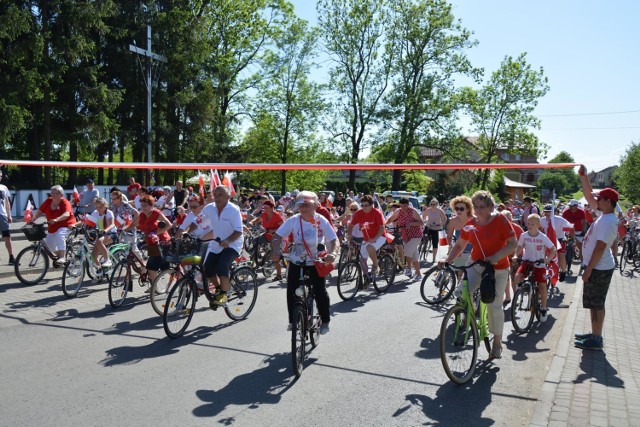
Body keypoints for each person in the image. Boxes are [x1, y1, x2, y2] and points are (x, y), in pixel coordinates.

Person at [440, 190, 517, 360]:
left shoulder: (500, 220)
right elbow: (460, 245)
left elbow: (513, 244)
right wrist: (447, 260)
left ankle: (497, 343)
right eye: (475, 206)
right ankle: (470, 310)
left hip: (497, 267)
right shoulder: (471, 223)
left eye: (482, 207)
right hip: (476, 264)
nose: (478, 210)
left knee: (494, 306)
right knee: (460, 293)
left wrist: (496, 256)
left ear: (491, 207)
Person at [270, 191, 338, 335]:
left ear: (315, 206)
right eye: (301, 205)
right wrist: (275, 250)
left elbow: (333, 240)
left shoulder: (321, 220)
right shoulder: (293, 220)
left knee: (320, 291)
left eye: (307, 205)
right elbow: (277, 237)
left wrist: (332, 254)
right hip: (297, 259)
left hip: (316, 260)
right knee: (291, 290)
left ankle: (325, 321)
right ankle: (292, 320)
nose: (304, 208)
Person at [574, 165, 618, 351]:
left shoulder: (608, 221)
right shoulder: (604, 214)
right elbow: (588, 194)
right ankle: (594, 334)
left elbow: (600, 248)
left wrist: (588, 269)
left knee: (597, 303)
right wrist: (584, 176)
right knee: (593, 302)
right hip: (596, 266)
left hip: (599, 268)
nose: (596, 200)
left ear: (608, 201)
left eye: (600, 198)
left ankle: (596, 338)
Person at [200, 185, 244, 306]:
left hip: (233, 243)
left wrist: (228, 241)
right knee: (207, 269)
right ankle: (219, 288)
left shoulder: (233, 209)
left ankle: (224, 294)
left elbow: (239, 231)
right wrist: (186, 232)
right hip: (216, 243)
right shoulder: (209, 208)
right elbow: (198, 221)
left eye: (220, 195)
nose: (217, 197)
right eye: (215, 195)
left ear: (228, 196)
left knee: (222, 265)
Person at [513, 214, 557, 322]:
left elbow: (553, 249)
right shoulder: (524, 235)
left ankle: (543, 308)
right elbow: (519, 247)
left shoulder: (542, 237)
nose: (530, 226)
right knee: (517, 278)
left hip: (539, 264)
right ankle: (523, 291)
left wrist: (548, 258)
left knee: (542, 286)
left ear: (538, 225)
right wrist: (515, 255)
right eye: (528, 223)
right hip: (527, 262)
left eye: (533, 224)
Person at [29, 185, 77, 267]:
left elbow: (67, 214)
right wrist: (34, 218)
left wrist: (56, 219)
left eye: (56, 193)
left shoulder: (65, 202)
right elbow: (40, 210)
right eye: (52, 192)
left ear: (61, 195)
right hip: (53, 227)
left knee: (59, 235)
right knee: (48, 245)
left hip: (66, 225)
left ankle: (62, 256)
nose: (53, 194)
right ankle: (60, 254)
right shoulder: (48, 201)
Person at [346, 194, 386, 284]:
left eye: (366, 205)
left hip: (380, 236)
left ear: (371, 205)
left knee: (369, 247)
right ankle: (367, 276)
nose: (364, 207)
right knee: (362, 258)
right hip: (366, 238)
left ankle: (376, 265)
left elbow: (382, 228)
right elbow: (351, 225)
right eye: (362, 205)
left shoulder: (377, 213)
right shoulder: (359, 213)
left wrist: (375, 238)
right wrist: (349, 234)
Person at [385, 198, 423, 281]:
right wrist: (384, 225)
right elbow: (390, 219)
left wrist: (412, 224)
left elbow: (421, 222)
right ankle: (418, 274)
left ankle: (408, 268)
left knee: (407, 249)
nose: (403, 207)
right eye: (401, 206)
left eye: (405, 205)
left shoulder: (413, 211)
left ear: (408, 204)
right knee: (413, 255)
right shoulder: (399, 211)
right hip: (406, 236)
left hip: (416, 235)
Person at [137, 194, 172, 283]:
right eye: (142, 205)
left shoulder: (156, 213)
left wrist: (155, 233)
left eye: (145, 205)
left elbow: (169, 225)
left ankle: (182, 283)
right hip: (151, 244)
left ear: (151, 205)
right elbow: (136, 225)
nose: (143, 207)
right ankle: (154, 288)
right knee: (164, 267)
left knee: (152, 268)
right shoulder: (142, 215)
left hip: (163, 243)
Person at [248, 199, 284, 280]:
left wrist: (274, 230)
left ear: (272, 208)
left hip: (275, 238)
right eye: (264, 208)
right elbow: (258, 219)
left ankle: (279, 275)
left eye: (267, 208)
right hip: (266, 235)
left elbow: (283, 227)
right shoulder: (264, 215)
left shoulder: (277, 216)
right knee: (255, 241)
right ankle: (256, 261)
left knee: (275, 256)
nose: (265, 209)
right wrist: (252, 222)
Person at [540, 204, 575, 282]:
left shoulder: (560, 220)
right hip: (548, 240)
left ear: (554, 212)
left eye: (549, 212)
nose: (547, 214)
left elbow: (571, 228)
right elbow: (540, 229)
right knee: (542, 254)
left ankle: (563, 271)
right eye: (546, 212)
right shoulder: (542, 220)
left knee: (561, 256)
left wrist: (571, 238)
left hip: (559, 239)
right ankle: (543, 269)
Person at [445, 196, 473, 282]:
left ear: (468, 209)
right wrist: (450, 246)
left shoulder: (473, 220)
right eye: (456, 208)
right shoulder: (453, 221)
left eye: (461, 209)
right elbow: (449, 237)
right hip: (459, 249)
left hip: (472, 251)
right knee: (458, 272)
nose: (458, 211)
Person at [88, 197, 117, 269]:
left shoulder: (109, 213)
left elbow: (112, 224)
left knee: (99, 241)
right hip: (101, 234)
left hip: (111, 233)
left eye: (100, 207)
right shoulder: (95, 213)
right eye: (97, 207)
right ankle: (100, 271)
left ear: (105, 206)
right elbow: (86, 220)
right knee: (93, 256)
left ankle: (107, 260)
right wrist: (75, 225)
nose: (98, 209)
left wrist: (105, 230)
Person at [422, 198, 448, 263]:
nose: (433, 205)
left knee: (435, 243)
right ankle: (423, 247)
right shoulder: (428, 210)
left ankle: (433, 258)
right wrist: (424, 220)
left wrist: (441, 224)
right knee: (424, 237)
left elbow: (445, 218)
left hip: (436, 228)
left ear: (437, 204)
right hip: (429, 226)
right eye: (431, 204)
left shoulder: (440, 211)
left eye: (434, 204)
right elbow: (423, 216)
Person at [562, 199, 587, 263]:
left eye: (572, 206)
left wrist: (584, 231)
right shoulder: (566, 212)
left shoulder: (581, 212)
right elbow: (562, 223)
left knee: (581, 246)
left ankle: (582, 262)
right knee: (567, 244)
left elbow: (584, 222)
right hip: (569, 230)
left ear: (576, 206)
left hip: (579, 230)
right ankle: (567, 257)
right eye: (570, 206)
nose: (571, 207)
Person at [0, 169, 14, 264]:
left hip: (2, 214)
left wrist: (9, 215)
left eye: (1, 175)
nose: (0, 177)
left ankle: (11, 257)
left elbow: (7, 202)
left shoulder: (4, 187)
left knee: (7, 236)